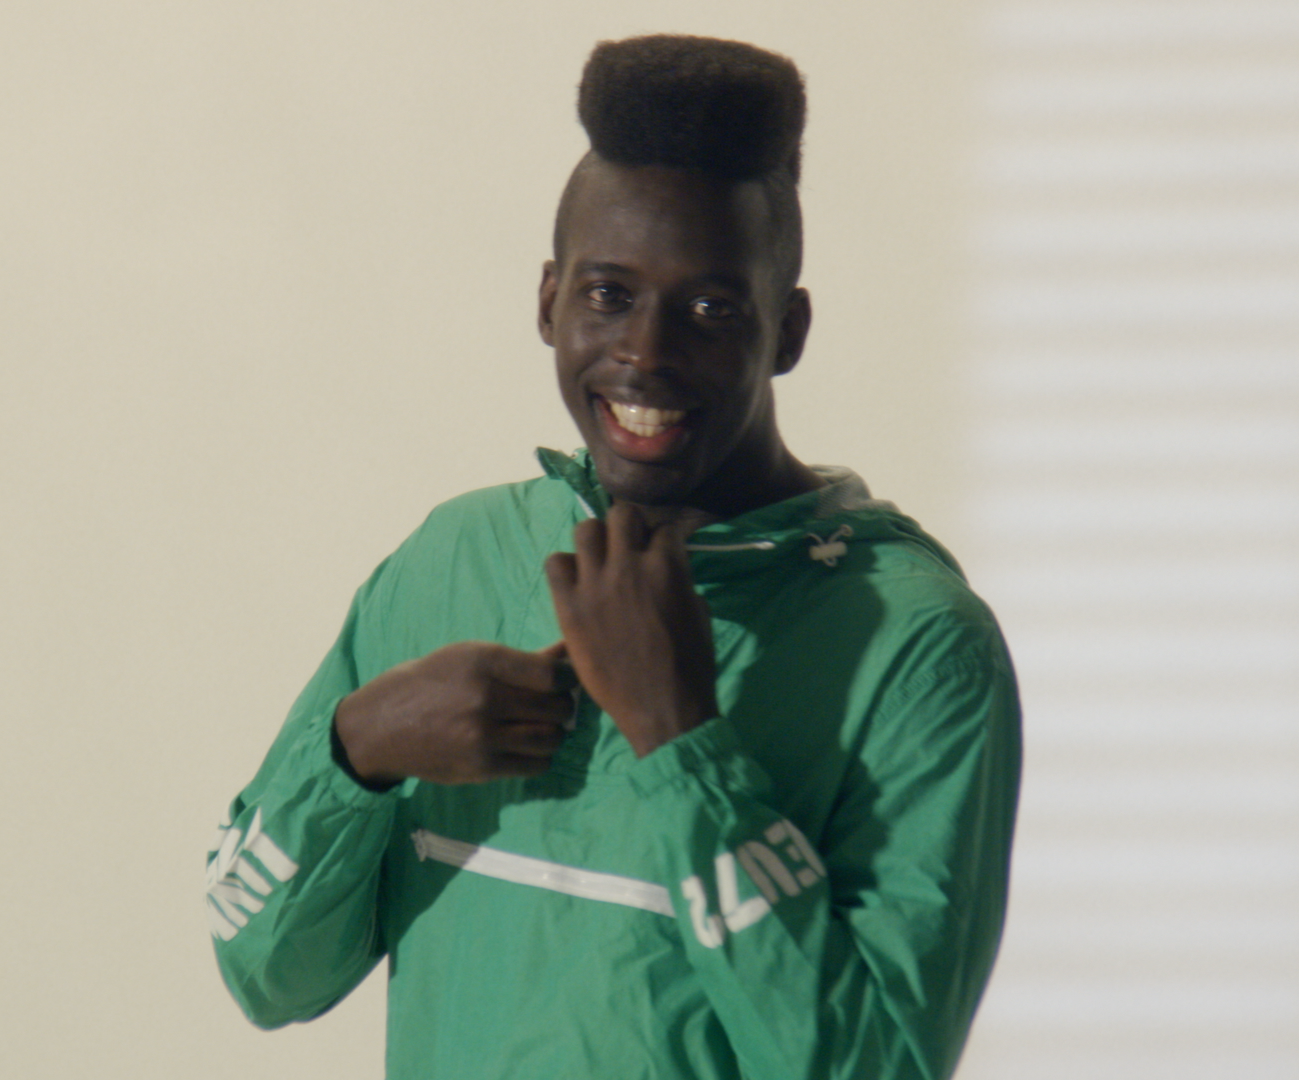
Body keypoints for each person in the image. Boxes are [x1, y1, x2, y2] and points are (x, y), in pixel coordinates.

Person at [207, 33, 1021, 1080]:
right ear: (546, 300)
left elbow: (873, 1069)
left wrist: (681, 741)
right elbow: (263, 971)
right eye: (607, 294)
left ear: (788, 330)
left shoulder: (916, 650)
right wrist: (356, 749)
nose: (645, 352)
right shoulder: (450, 562)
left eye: (711, 310)